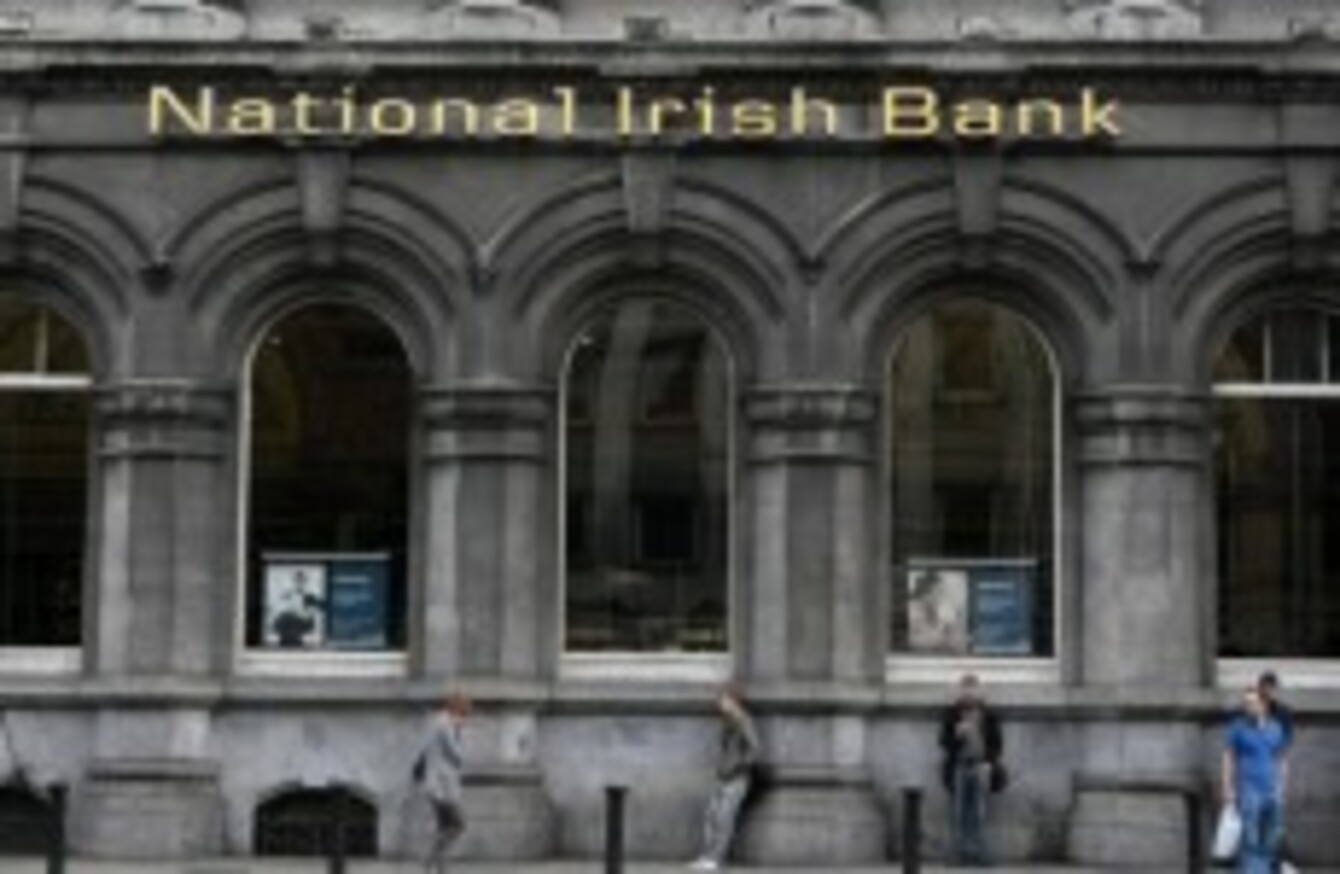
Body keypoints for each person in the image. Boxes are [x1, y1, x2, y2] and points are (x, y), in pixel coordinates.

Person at [689, 684, 760, 871]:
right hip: (723, 775)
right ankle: (706, 855)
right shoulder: (728, 722)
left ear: (733, 701)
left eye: (723, 699)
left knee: (724, 817)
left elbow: (754, 749)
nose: (719, 704)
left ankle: (715, 858)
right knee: (712, 814)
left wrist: (738, 766)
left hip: (737, 777)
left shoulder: (743, 721)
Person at [938, 673, 1003, 867]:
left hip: (980, 765)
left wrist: (989, 762)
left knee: (980, 812)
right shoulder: (952, 714)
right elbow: (943, 742)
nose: (969, 694)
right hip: (959, 765)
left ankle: (979, 853)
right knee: (958, 811)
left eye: (972, 690)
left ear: (979, 692)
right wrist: (957, 735)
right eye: (965, 690)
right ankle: (958, 853)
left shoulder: (988, 715)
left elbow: (997, 743)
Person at [1222, 686, 1288, 874]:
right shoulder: (1237, 728)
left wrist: (1281, 787)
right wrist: (1227, 788)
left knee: (1271, 835)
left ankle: (1263, 870)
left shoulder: (1275, 728)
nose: (1248, 707)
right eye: (1245, 703)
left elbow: (1281, 759)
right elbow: (1228, 759)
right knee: (1250, 837)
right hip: (1248, 789)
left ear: (1263, 704)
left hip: (1271, 789)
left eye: (1252, 702)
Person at [413, 692, 470, 874]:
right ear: (456, 709)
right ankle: (430, 861)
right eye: (464, 712)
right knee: (458, 824)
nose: (466, 717)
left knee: (444, 826)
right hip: (441, 787)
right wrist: (460, 731)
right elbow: (457, 755)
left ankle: (439, 867)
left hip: (436, 785)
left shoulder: (438, 723)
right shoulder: (445, 725)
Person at [1256, 672, 1296, 874]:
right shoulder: (1251, 711)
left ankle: (1283, 862)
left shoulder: (1283, 714)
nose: (1268, 693)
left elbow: (1283, 751)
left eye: (1271, 689)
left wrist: (1282, 780)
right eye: (1265, 688)